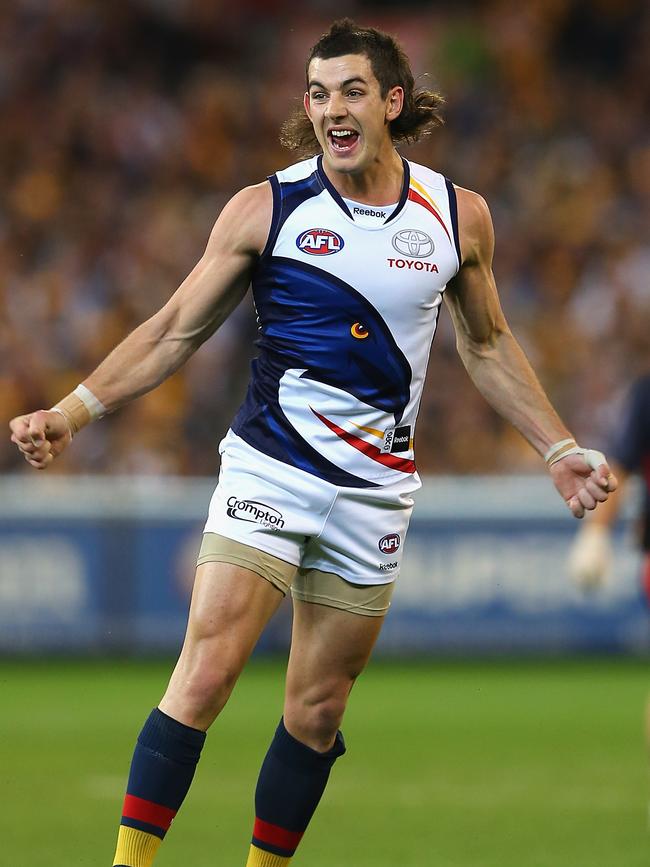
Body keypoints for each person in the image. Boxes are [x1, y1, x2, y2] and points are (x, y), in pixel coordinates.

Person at [9, 19, 617, 867]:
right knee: (210, 667)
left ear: (391, 103)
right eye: (319, 92)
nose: (333, 107)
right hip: (271, 465)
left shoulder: (456, 215)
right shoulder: (269, 206)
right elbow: (178, 328)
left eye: (353, 91)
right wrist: (72, 411)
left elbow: (485, 344)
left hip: (374, 490)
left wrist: (558, 449)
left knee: (318, 710)